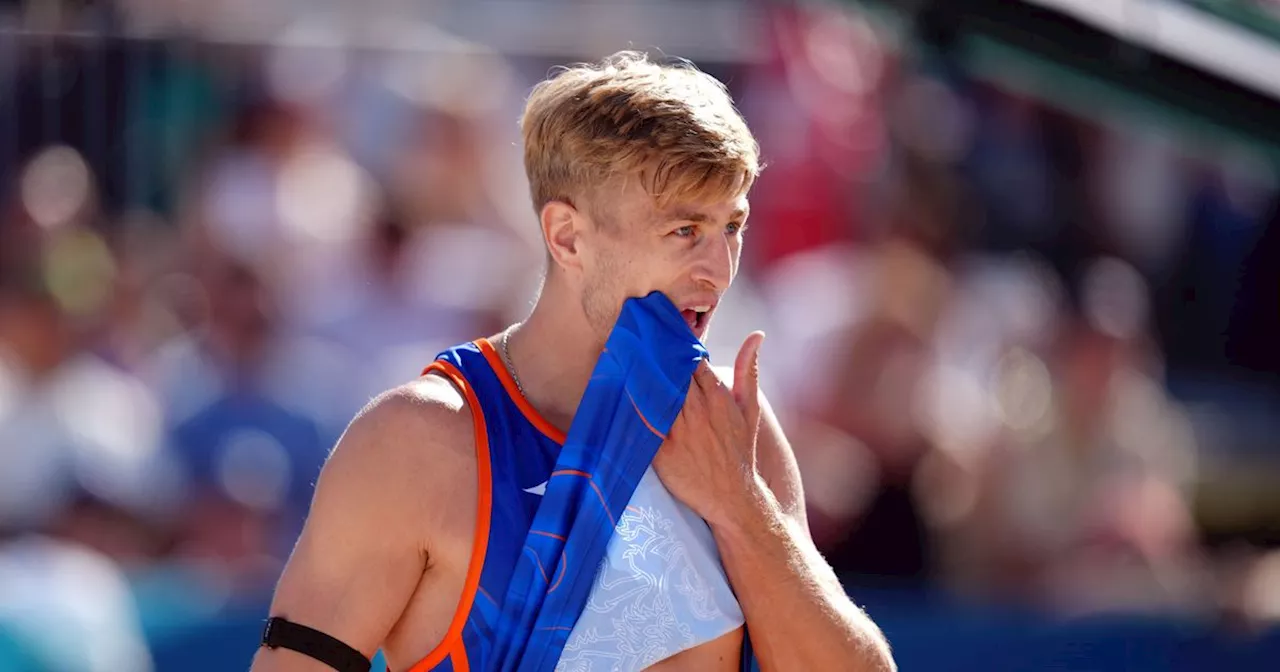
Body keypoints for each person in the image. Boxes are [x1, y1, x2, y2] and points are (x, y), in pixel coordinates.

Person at [250, 51, 895, 672]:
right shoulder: (419, 442)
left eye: (733, 226)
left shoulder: (731, 432)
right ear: (566, 237)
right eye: (684, 231)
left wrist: (739, 505)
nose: (719, 270)